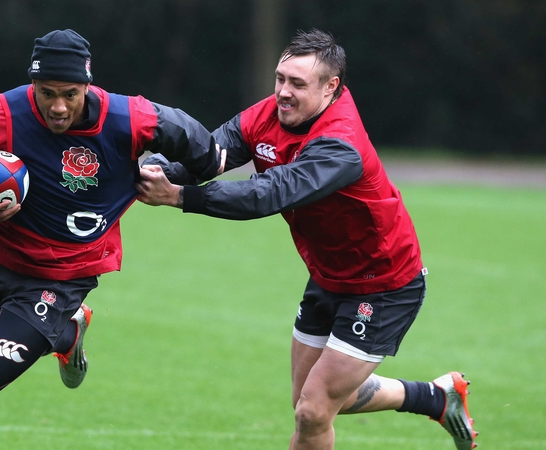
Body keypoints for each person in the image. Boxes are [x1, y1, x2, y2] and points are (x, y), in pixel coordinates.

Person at [136, 29, 477, 450]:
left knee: (313, 411)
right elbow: (213, 153)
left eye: (297, 84)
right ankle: (434, 397)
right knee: (314, 401)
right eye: (281, 78)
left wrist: (181, 197)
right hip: (328, 276)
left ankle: (432, 398)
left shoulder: (340, 145)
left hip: (384, 284)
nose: (283, 92)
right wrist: (160, 172)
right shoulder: (269, 114)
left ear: (331, 87)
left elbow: (270, 193)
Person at [0, 29, 222, 449]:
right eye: (46, 93)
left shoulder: (130, 118)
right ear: (32, 85)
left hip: (62, 279)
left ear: (88, 85)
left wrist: (171, 181)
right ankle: (64, 335)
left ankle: (59, 321)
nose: (58, 106)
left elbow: (204, 151)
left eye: (70, 94)